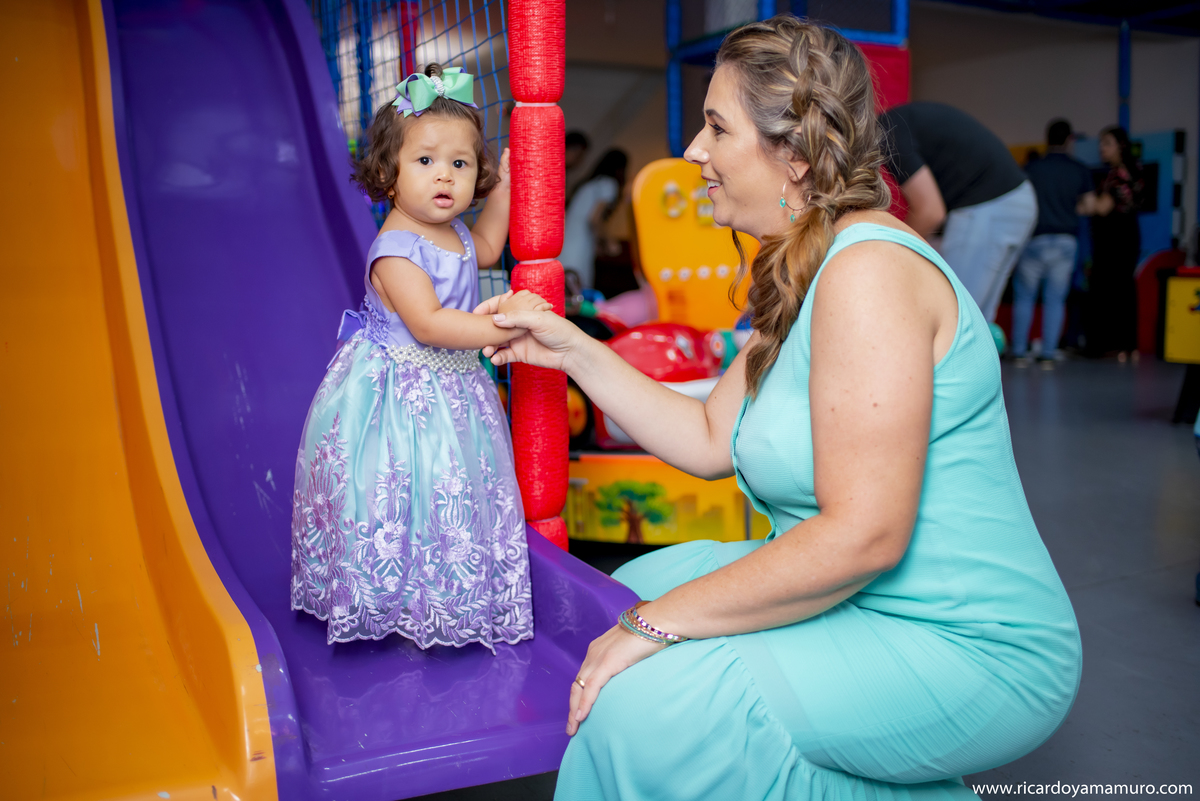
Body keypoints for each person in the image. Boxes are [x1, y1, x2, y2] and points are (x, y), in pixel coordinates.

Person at [478, 17, 1080, 799]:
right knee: (633, 586)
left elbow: (865, 534)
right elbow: (708, 436)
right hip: (870, 598)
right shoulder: (802, 265)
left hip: (964, 636)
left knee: (648, 703)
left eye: (717, 127)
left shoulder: (868, 273)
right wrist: (572, 351)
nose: (693, 150)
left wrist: (658, 624)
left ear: (793, 154)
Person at [289, 64, 551, 650]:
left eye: (461, 164)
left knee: (448, 489)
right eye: (426, 160)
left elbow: (488, 247)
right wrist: (502, 322)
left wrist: (506, 188)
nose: (445, 176)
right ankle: (389, 593)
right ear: (388, 173)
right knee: (400, 488)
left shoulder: (454, 233)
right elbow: (429, 324)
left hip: (452, 388)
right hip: (399, 395)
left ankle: (443, 590)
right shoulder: (395, 250)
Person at [880, 101, 1038, 322]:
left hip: (988, 204)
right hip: (1018, 201)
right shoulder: (903, 121)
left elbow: (930, 213)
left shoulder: (888, 131)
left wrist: (887, 253)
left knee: (955, 319)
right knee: (978, 321)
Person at [1011, 119, 1096, 368]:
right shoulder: (1079, 169)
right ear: (1069, 140)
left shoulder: (1031, 168)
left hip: (1034, 239)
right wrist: (1069, 209)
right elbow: (1090, 206)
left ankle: (1019, 352)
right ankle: (1048, 354)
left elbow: (1018, 202)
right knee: (1055, 300)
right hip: (1065, 240)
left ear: (1047, 139)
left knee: (1024, 297)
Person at [1087, 125, 1144, 360]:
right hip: (1127, 237)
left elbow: (1102, 208)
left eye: (1107, 143)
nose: (1102, 148)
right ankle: (1129, 346)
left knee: (1112, 290)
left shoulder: (1118, 175)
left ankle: (1116, 346)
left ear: (1121, 146)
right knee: (1124, 289)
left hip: (1116, 241)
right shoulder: (1134, 171)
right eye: (1101, 143)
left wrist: (1082, 202)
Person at [561, 148, 628, 291]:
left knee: (565, 289)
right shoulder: (609, 183)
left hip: (565, 243)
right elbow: (594, 219)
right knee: (577, 290)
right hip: (579, 245)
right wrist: (609, 242)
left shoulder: (590, 183)